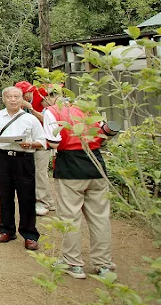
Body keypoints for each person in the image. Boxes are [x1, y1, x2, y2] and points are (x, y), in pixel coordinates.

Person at [43, 91, 117, 279]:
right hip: (96, 165)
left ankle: (72, 262)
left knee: (70, 216)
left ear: (51, 98)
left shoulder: (52, 112)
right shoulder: (88, 110)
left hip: (70, 167)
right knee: (100, 217)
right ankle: (103, 264)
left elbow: (53, 142)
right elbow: (103, 136)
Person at [0, 86, 47, 251]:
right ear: (3, 99)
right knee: (5, 195)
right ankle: (6, 230)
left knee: (27, 197)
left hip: (24, 159)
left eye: (16, 96)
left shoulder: (30, 119)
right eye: (9, 96)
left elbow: (43, 141)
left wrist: (30, 144)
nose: (12, 100)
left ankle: (30, 234)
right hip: (3, 159)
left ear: (22, 99)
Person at [33, 86, 56, 216]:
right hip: (39, 143)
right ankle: (49, 202)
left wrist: (31, 110)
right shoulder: (39, 105)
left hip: (44, 143)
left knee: (40, 173)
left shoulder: (49, 110)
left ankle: (43, 203)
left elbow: (47, 121)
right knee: (41, 174)